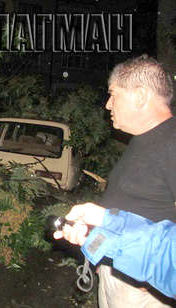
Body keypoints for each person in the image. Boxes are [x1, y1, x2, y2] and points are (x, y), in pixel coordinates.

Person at [94, 55, 176, 307]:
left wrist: (155, 274)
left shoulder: (172, 144)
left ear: (140, 96)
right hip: (119, 269)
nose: (108, 105)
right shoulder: (142, 138)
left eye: (114, 95)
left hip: (144, 287)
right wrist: (103, 259)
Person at [53, 202, 176, 300]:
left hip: (132, 270)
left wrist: (103, 244)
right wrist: (105, 216)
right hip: (112, 261)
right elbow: (165, 238)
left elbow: (163, 258)